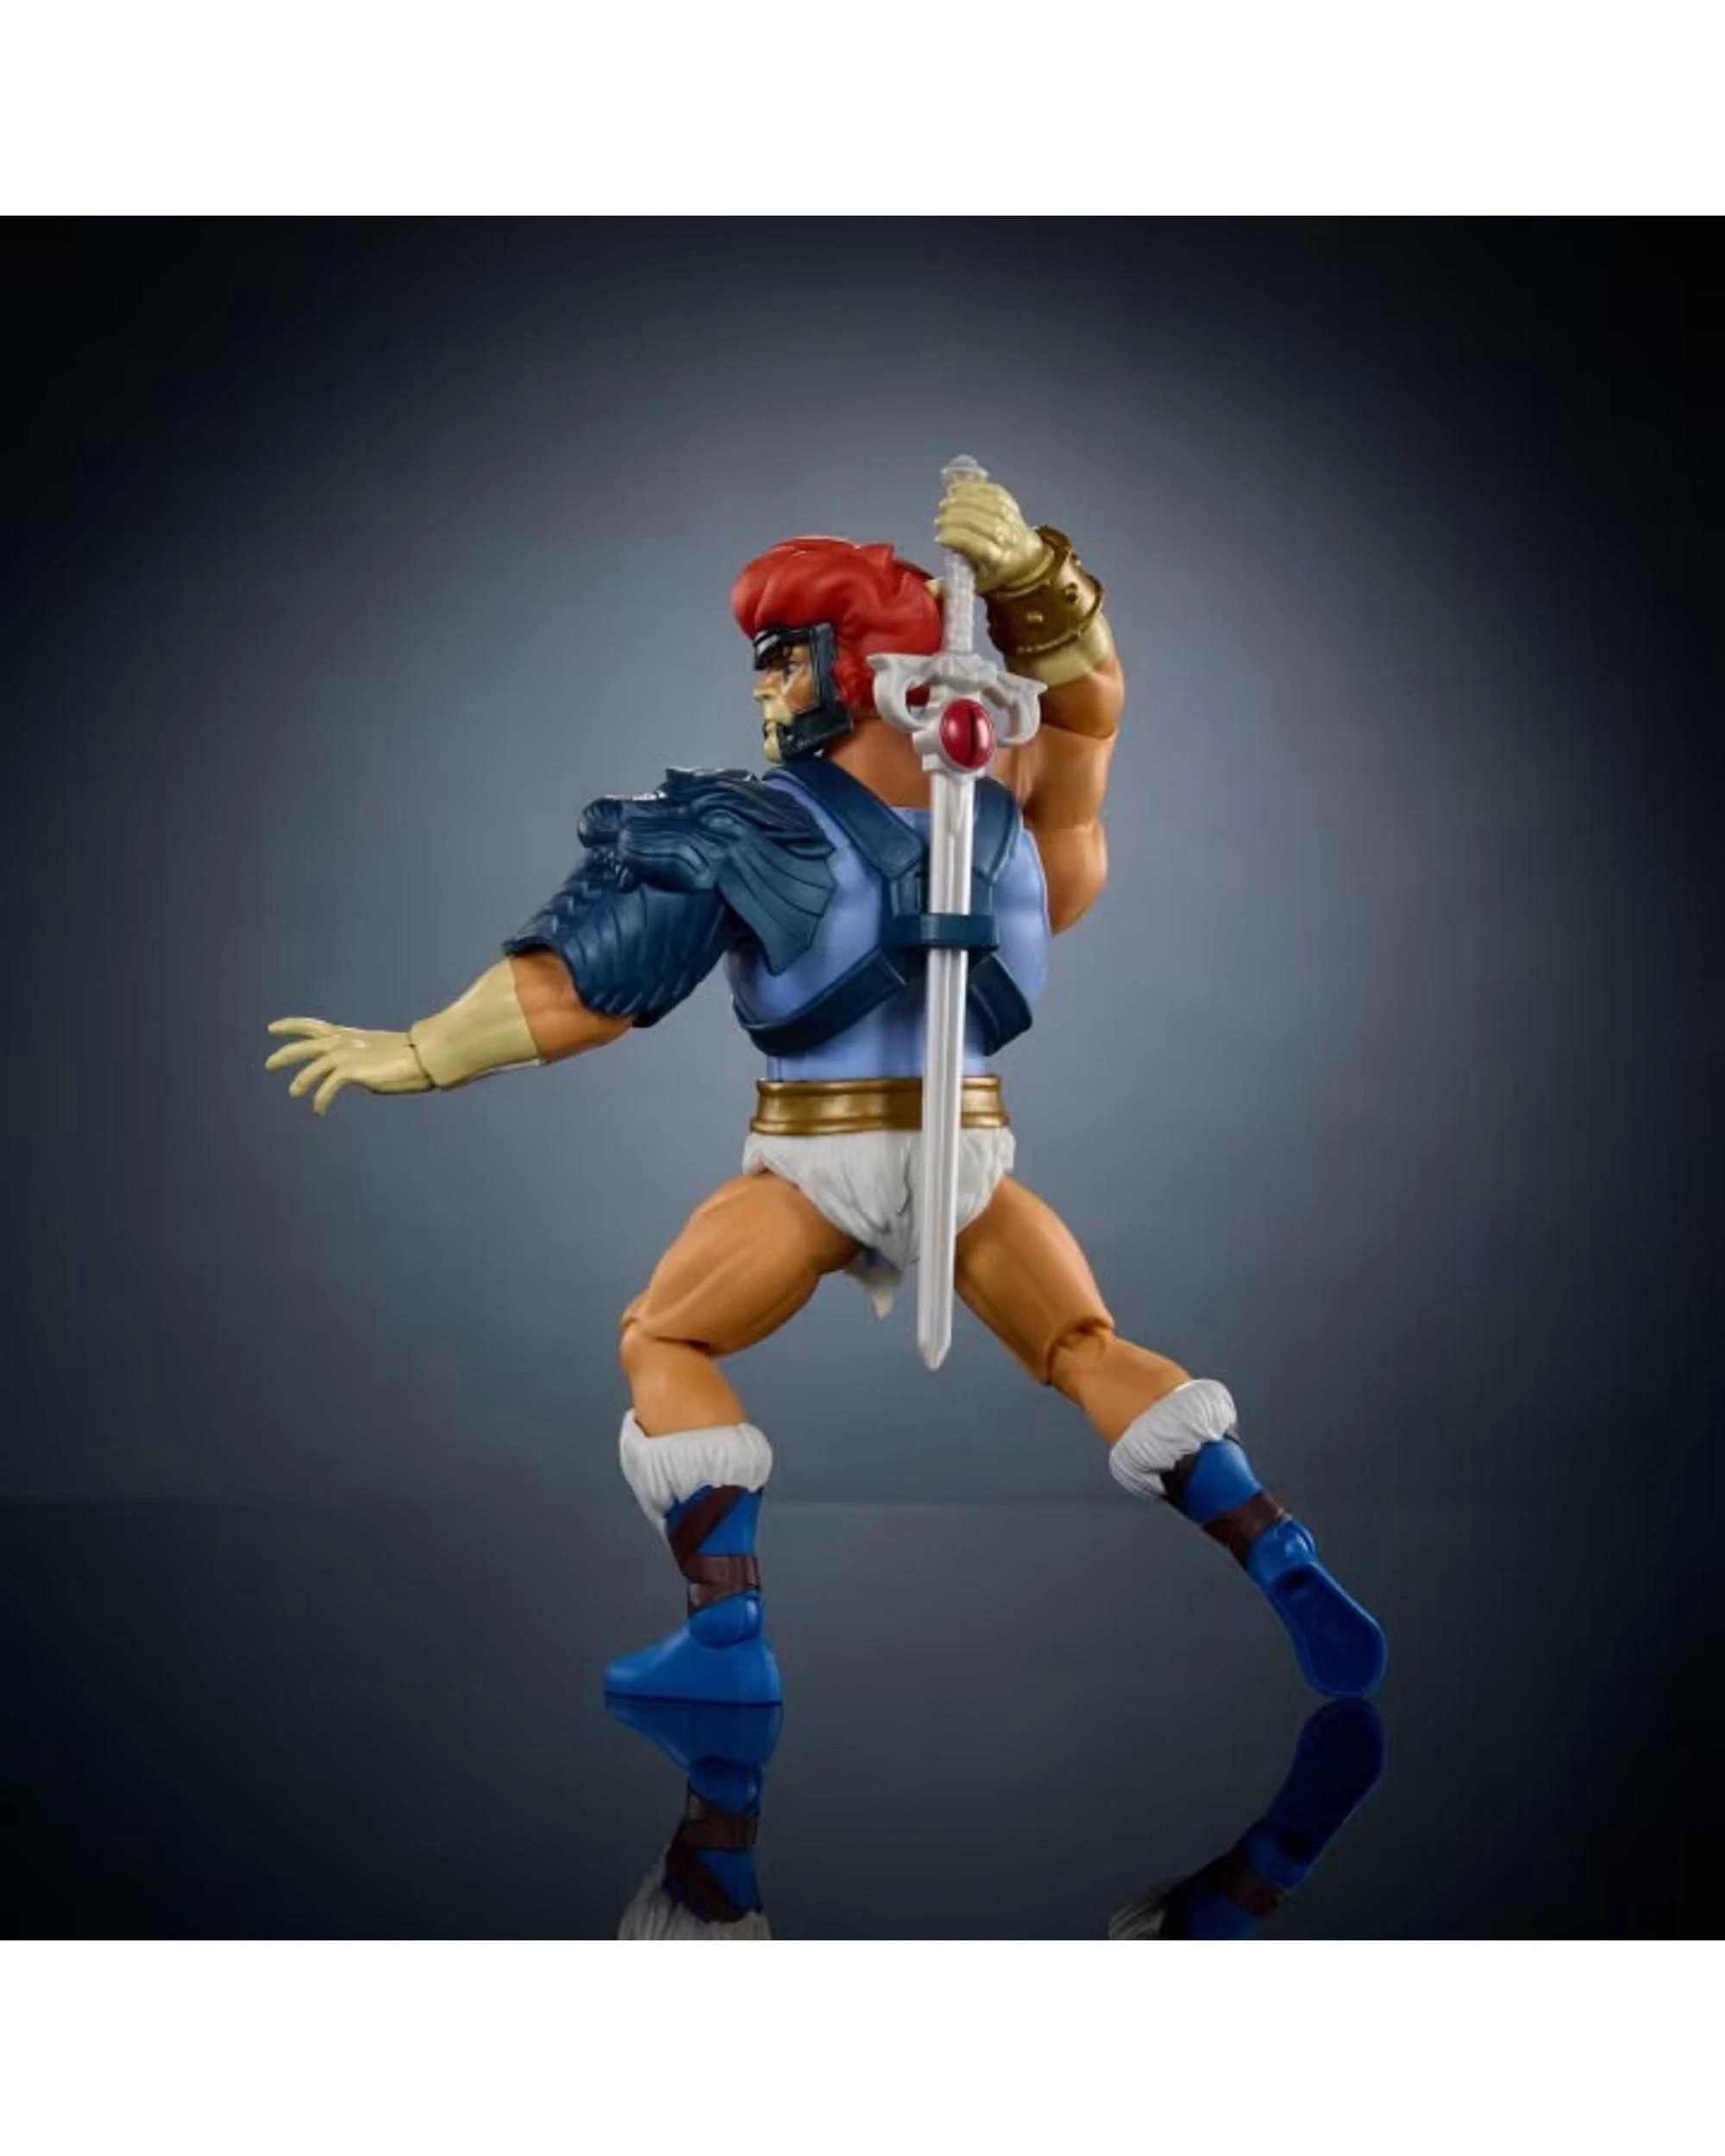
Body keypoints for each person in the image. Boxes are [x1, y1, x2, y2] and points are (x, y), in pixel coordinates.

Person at [267, 470, 1388, 1708]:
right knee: (1084, 1345)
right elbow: (1090, 712)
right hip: (968, 1160)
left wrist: (425, 1049)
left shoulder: (754, 824)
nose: (762, 689)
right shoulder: (1018, 825)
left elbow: (590, 983)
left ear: (852, 670)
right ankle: (1273, 1543)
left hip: (817, 1165)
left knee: (665, 1336)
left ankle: (725, 1635)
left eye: (779, 659)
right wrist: (1037, 583)